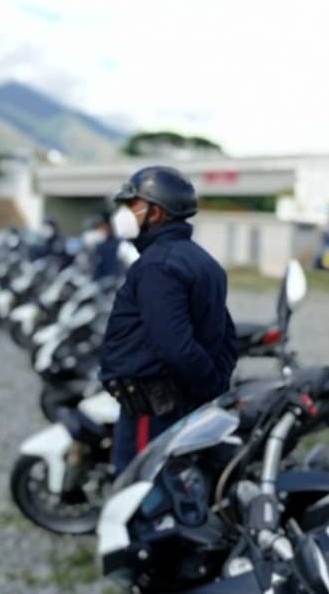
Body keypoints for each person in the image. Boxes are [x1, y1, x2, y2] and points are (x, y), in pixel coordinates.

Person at [98, 166, 238, 473]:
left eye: (132, 204)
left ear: (157, 212)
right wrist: (214, 386)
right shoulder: (204, 261)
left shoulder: (157, 267)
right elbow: (227, 334)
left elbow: (175, 346)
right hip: (179, 405)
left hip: (153, 410)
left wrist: (206, 387)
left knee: (143, 489)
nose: (124, 212)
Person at [82, 211, 123, 282]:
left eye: (101, 225)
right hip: (98, 285)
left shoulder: (122, 244)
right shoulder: (100, 245)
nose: (99, 229)